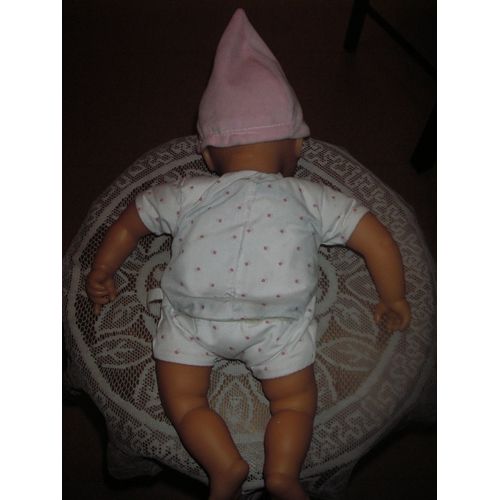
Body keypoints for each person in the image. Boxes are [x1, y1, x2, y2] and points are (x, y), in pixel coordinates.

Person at [86, 9, 410, 500]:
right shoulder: (311, 198)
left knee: (184, 399)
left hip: (193, 317)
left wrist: (103, 270)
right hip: (278, 324)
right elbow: (378, 240)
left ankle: (224, 467)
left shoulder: (190, 191)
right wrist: (394, 297)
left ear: (208, 155)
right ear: (298, 146)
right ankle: (283, 475)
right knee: (294, 404)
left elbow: (131, 221)